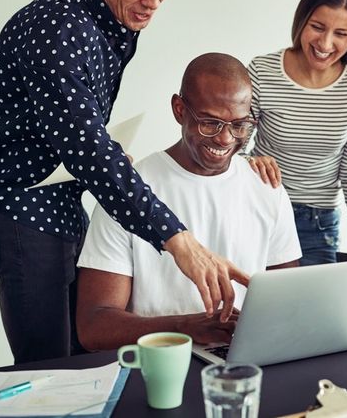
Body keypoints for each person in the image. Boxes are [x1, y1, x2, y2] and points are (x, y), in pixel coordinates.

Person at [0, 0, 247, 364]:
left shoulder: (110, 16)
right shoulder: (59, 28)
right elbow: (88, 149)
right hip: (16, 199)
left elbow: (77, 129)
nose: (153, 1)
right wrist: (181, 242)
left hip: (57, 190)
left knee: (88, 348)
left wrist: (99, 152)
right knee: (51, 365)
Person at [75, 53, 301, 349]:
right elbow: (94, 327)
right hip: (156, 363)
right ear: (179, 110)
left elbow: (293, 305)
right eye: (210, 123)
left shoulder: (266, 186)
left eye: (239, 125)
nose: (225, 139)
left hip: (245, 362)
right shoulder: (127, 191)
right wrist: (185, 328)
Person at [246, 0, 347, 265]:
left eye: (341, 34)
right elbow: (230, 148)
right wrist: (248, 161)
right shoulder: (262, 71)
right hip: (259, 209)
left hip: (318, 222)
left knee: (313, 309)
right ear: (302, 20)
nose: (325, 43)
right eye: (317, 27)